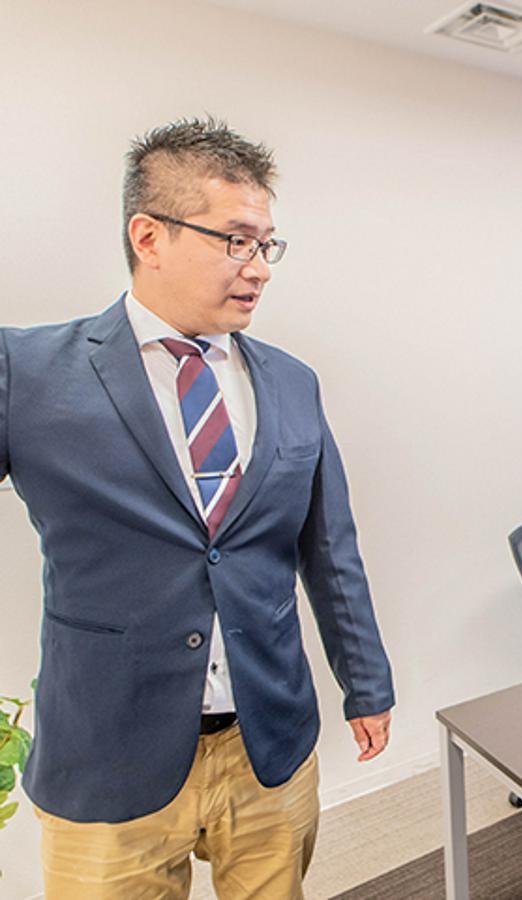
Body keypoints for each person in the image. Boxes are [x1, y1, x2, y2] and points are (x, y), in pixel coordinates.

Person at [2, 118, 394, 898]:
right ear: (149, 236)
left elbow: (329, 549)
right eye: (236, 241)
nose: (260, 268)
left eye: (267, 245)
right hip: (108, 756)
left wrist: (367, 683)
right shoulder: (29, 371)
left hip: (267, 742)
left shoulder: (291, 382)